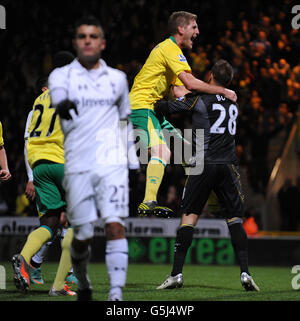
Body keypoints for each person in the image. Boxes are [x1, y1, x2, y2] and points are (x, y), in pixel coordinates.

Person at [155, 60, 259, 292]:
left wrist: (161, 101)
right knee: (234, 219)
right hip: (229, 166)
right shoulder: (234, 102)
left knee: (189, 216)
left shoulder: (200, 99)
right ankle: (245, 273)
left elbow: (167, 108)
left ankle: (176, 274)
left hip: (204, 163)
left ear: (210, 76)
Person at [48, 15, 132, 301]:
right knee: (81, 236)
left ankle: (116, 295)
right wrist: (62, 104)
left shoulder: (118, 80)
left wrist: (131, 160)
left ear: (102, 43)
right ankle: (83, 281)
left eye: (93, 36)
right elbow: (58, 96)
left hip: (112, 163)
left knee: (114, 224)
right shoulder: (62, 76)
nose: (87, 40)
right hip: (78, 166)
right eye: (82, 36)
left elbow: (125, 121)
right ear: (76, 42)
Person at [129, 11, 237, 217]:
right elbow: (190, 83)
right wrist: (222, 90)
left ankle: (214, 204)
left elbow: (180, 91)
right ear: (181, 29)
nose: (198, 32)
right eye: (194, 27)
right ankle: (148, 202)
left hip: (154, 110)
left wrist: (208, 97)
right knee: (163, 153)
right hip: (142, 106)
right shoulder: (170, 48)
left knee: (189, 154)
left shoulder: (173, 54)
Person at [12, 51, 76, 296]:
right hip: (63, 163)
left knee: (49, 222)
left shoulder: (40, 99)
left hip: (39, 166)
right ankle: (59, 285)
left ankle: (24, 257)